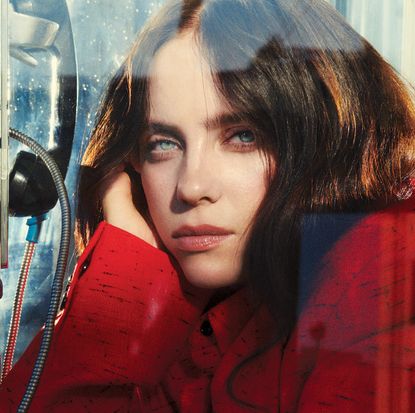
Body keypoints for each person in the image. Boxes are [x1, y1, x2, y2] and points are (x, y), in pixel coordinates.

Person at [1, 0, 415, 411]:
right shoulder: (206, 312)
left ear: (326, 134)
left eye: (243, 136)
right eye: (163, 144)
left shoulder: (387, 272)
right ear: (131, 168)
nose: (191, 186)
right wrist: (126, 279)